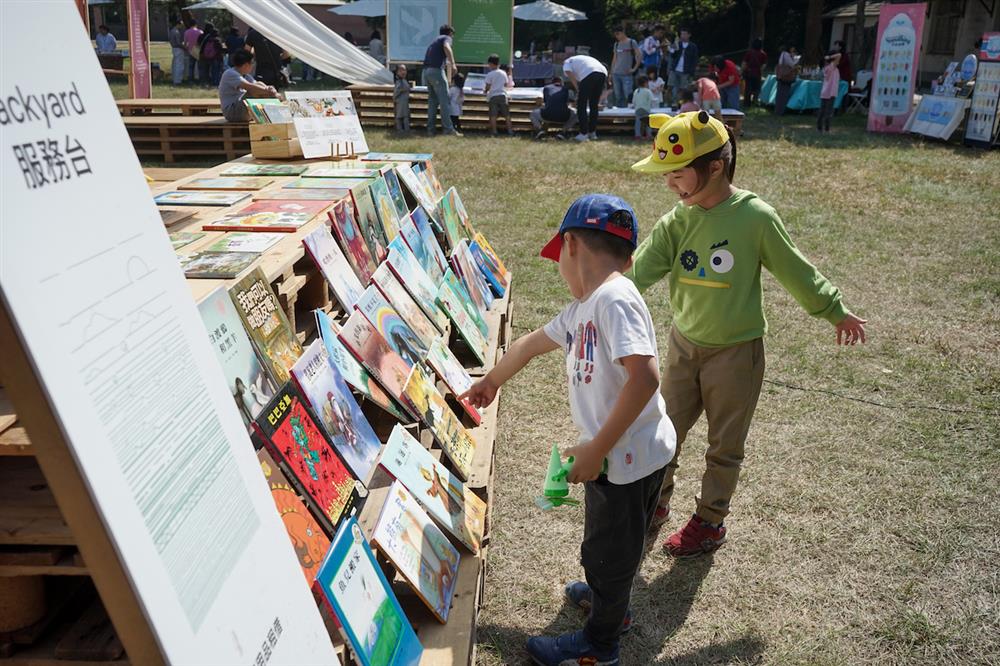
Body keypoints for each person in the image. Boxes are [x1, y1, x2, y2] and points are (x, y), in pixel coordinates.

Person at [628, 111, 867, 557]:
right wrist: (601, 299)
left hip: (736, 355)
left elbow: (796, 269)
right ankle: (653, 503)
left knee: (725, 446)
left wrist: (834, 310)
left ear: (715, 166)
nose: (669, 184)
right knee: (662, 433)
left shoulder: (754, 217)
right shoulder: (678, 221)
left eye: (677, 173)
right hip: (683, 347)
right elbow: (638, 272)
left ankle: (709, 521)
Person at [460, 194, 675, 666]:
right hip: (620, 454)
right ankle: (607, 596)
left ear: (570, 245)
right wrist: (491, 381)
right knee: (609, 542)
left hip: (626, 457)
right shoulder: (585, 308)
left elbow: (645, 376)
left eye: (558, 257)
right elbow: (531, 344)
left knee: (609, 551)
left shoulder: (615, 299)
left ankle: (602, 642)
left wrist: (597, 448)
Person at [422, 25, 461, 136]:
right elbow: (447, 47)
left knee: (432, 101)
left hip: (426, 71)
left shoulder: (434, 40)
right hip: (436, 70)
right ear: (450, 33)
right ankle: (448, 129)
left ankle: (431, 129)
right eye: (452, 35)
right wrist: (453, 63)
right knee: (445, 101)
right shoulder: (446, 38)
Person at [218, 50, 277, 122]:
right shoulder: (230, 73)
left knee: (259, 85)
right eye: (252, 63)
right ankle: (275, 112)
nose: (253, 66)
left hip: (241, 109)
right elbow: (249, 87)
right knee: (253, 91)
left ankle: (273, 113)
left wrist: (269, 88)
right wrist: (271, 92)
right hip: (232, 113)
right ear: (246, 65)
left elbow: (258, 84)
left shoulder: (246, 75)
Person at [563, 54, 607, 142]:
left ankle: (583, 133)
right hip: (603, 72)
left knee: (581, 105)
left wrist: (577, 89)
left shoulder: (566, 63)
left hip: (590, 72)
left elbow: (571, 77)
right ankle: (592, 132)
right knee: (594, 105)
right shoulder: (579, 61)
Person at [611, 26, 641, 107]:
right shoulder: (616, 44)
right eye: (615, 35)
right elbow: (614, 58)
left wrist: (634, 68)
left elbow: (639, 55)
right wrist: (611, 72)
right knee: (618, 96)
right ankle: (620, 115)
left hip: (627, 73)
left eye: (618, 34)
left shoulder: (632, 42)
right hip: (616, 73)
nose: (617, 36)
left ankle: (628, 114)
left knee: (628, 95)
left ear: (623, 32)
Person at [667, 29, 698, 102]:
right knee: (670, 86)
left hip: (685, 70)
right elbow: (672, 56)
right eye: (681, 34)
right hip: (675, 69)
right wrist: (674, 48)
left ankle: (679, 102)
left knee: (682, 88)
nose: (683, 36)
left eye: (684, 34)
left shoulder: (693, 46)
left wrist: (692, 72)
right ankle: (670, 102)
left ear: (689, 35)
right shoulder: (678, 44)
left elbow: (694, 60)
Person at [485, 54, 513, 136]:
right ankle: (510, 131)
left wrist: (485, 90)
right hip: (503, 95)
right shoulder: (503, 73)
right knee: (507, 115)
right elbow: (506, 84)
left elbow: (488, 86)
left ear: (491, 64)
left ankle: (494, 131)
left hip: (493, 96)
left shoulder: (490, 74)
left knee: (493, 115)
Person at [817, 52, 841, 132]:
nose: (838, 61)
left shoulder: (826, 68)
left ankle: (819, 128)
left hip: (825, 92)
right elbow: (839, 55)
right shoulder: (831, 67)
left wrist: (828, 58)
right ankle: (827, 129)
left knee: (822, 111)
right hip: (830, 93)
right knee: (828, 112)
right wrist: (829, 57)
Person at [774, 45, 801, 115]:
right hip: (786, 77)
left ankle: (778, 110)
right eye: (792, 49)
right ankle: (780, 111)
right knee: (784, 95)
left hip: (781, 76)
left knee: (780, 94)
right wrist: (796, 59)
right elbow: (792, 65)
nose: (793, 51)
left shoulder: (783, 54)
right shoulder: (786, 54)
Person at [741, 38, 767, 107]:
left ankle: (746, 104)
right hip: (757, 74)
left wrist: (743, 71)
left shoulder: (749, 52)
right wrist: (760, 71)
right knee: (756, 89)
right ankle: (755, 103)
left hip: (749, 73)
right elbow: (764, 65)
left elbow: (744, 63)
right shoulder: (763, 54)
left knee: (748, 89)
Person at [197, 23, 224, 87]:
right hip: (213, 56)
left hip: (202, 55)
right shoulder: (214, 37)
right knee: (213, 70)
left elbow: (198, 44)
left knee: (203, 70)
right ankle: (213, 82)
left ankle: (203, 82)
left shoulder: (201, 36)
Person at [632, 75, 654, 140]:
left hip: (638, 109)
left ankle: (637, 135)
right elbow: (651, 100)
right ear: (645, 83)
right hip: (646, 109)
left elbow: (634, 101)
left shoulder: (636, 91)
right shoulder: (648, 91)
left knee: (638, 123)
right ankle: (649, 135)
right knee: (648, 123)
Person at [168, 17, 186, 85]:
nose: (182, 26)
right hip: (178, 49)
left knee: (175, 64)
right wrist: (184, 47)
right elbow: (178, 43)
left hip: (174, 48)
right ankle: (178, 80)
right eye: (181, 24)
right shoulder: (176, 32)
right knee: (179, 65)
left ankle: (174, 78)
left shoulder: (171, 31)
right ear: (178, 24)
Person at [393, 63, 411, 133]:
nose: (403, 72)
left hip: (405, 101)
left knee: (406, 115)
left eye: (404, 70)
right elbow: (396, 91)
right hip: (400, 101)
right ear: (397, 72)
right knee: (400, 116)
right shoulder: (398, 82)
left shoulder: (404, 80)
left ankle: (407, 129)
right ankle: (400, 129)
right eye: (401, 70)